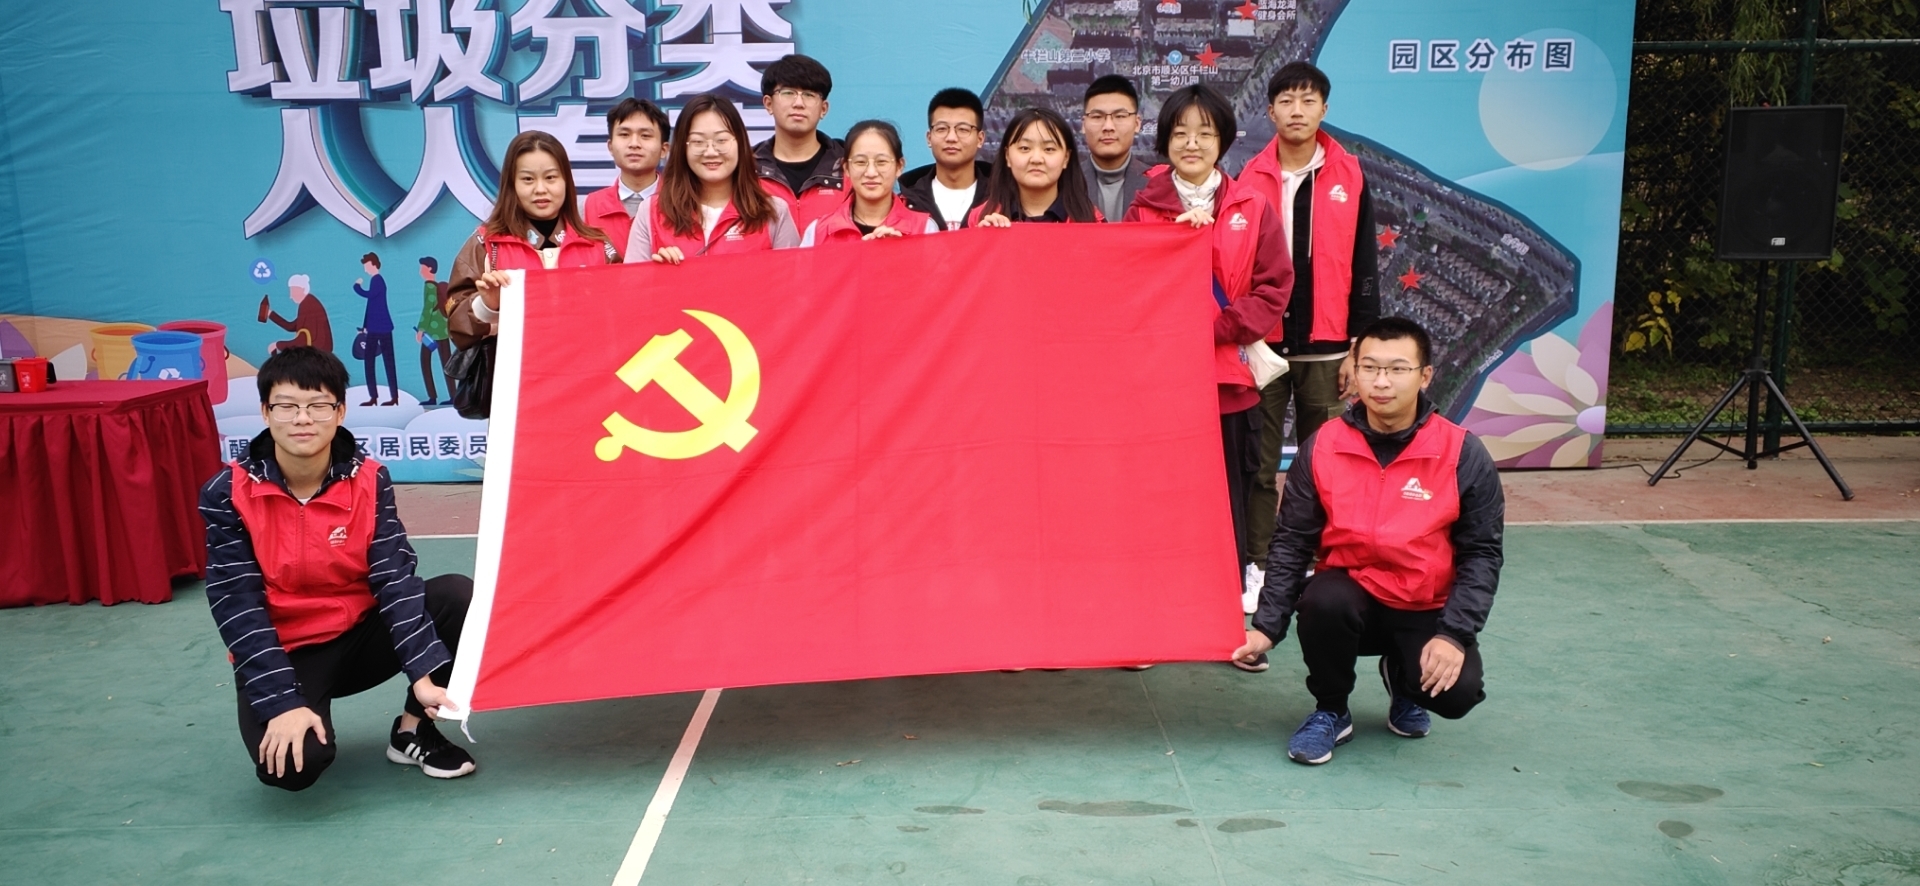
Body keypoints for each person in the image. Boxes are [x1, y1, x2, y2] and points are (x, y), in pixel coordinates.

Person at [199, 347, 477, 791]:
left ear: (340, 412)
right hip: (288, 652)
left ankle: (412, 731)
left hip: (361, 637)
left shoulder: (370, 479)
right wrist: (281, 702)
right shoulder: (226, 492)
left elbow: (395, 579)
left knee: (458, 596)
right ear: (265, 412)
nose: (302, 419)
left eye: (318, 405)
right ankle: (296, 707)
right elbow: (238, 606)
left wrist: (422, 675)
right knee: (291, 769)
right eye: (287, 406)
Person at [1233, 317, 1503, 766]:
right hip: (1351, 596)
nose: (1381, 382)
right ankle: (1331, 710)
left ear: (1425, 376)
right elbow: (1292, 540)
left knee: (1456, 694)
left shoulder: (1462, 452)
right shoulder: (1323, 445)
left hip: (1424, 605)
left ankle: (1403, 680)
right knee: (1322, 601)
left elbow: (1482, 553)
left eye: (1397, 369)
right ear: (1353, 372)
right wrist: (1267, 626)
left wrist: (1454, 635)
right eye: (1370, 368)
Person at [1123, 85, 1290, 669]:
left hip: (1228, 384)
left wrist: (1216, 327)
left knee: (1227, 506)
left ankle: (1225, 630)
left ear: (1223, 141)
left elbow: (1274, 287)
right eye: (1180, 133)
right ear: (1165, 141)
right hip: (1161, 384)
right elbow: (1130, 287)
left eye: (1204, 133)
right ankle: (1152, 627)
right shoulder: (1144, 209)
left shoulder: (1252, 206)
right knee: (1157, 503)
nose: (1191, 144)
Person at [1236, 61, 1381, 611]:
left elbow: (1364, 264)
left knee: (1326, 464)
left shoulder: (1350, 175)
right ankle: (1259, 563)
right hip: (1264, 344)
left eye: (1308, 101)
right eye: (1286, 101)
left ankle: (1325, 562)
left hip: (1329, 346)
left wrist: (1358, 345)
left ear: (1324, 109)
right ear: (1270, 111)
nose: (1297, 111)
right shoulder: (1249, 178)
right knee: (1258, 463)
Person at [446, 130, 620, 348]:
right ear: (512, 185)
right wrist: (486, 305)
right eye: (528, 179)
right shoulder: (486, 244)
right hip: (511, 370)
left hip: (587, 367)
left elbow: (625, 315)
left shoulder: (599, 245)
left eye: (550, 178)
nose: (540, 189)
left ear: (566, 181)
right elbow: (457, 328)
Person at [626, 93, 800, 264]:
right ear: (682, 148)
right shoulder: (651, 212)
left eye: (721, 140)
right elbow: (632, 281)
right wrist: (658, 274)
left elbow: (794, 280)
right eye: (698, 142)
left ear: (740, 143)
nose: (710, 152)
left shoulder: (773, 212)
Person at [801, 120, 940, 246]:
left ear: (899, 166)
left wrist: (901, 253)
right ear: (846, 168)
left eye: (882, 162)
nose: (871, 173)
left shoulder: (925, 228)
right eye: (860, 162)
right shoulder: (818, 232)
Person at [753, 54, 846, 231]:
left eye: (809, 95)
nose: (798, 103)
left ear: (823, 108)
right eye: (788, 93)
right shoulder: (746, 169)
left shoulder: (848, 166)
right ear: (768, 104)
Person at [969, 107, 1101, 226]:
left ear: (1066, 158)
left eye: (1049, 149)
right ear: (1007, 156)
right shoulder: (981, 218)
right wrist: (982, 239)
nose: (1036, 159)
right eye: (1025, 148)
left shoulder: (1091, 221)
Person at [583, 98, 670, 255]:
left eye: (645, 135)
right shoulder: (587, 208)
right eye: (624, 134)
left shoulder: (683, 205)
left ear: (664, 149)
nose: (634, 144)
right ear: (610, 146)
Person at [899, 88, 992, 230]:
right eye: (942, 129)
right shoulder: (904, 204)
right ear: (929, 138)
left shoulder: (1002, 199)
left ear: (980, 139)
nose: (951, 138)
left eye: (963, 129)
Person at [1079, 75, 1153, 224]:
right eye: (1097, 117)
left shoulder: (1157, 184)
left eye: (1119, 116)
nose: (1108, 127)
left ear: (1137, 123)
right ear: (1083, 124)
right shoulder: (1064, 183)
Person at [352, 253, 398, 406]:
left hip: (383, 327)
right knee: (369, 361)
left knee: (388, 361)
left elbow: (368, 295)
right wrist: (364, 327)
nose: (365, 269)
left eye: (366, 266)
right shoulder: (375, 280)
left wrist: (356, 286)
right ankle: (374, 397)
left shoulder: (378, 280)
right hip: (373, 328)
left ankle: (393, 397)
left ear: (373, 264)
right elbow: (370, 307)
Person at [261, 275, 333, 355]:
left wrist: (278, 345)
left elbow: (302, 341)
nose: (291, 296)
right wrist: (270, 314)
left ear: (302, 289)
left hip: (316, 354)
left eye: (293, 291)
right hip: (314, 352)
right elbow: (291, 326)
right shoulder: (307, 303)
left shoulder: (309, 305)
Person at [414, 257, 452, 406]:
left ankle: (432, 396)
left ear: (430, 269)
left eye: (422, 267)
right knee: (447, 364)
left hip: (431, 332)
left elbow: (427, 309)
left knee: (425, 362)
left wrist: (421, 329)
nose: (420, 271)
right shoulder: (436, 286)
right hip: (443, 329)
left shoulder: (429, 286)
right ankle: (454, 396)